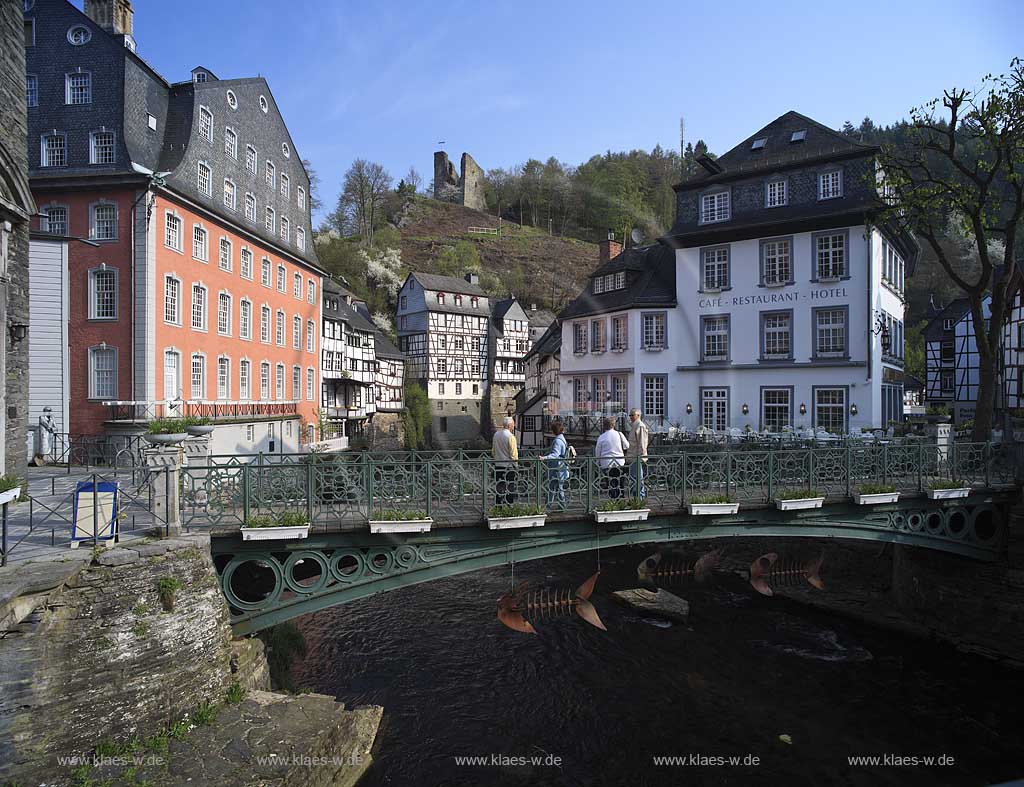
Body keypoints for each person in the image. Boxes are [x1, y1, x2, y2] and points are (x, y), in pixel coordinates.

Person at [594, 417, 629, 499]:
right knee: (620, 481)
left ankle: (613, 498)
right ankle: (621, 497)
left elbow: (597, 452)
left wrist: (597, 462)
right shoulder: (619, 434)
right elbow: (627, 446)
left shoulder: (601, 437)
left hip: (606, 463)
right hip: (619, 462)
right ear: (613, 425)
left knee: (610, 482)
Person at [542, 421, 570, 508]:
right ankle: (559, 505)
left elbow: (555, 454)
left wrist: (544, 458)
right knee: (556, 487)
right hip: (561, 467)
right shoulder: (562, 438)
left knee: (553, 487)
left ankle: (552, 506)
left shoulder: (557, 441)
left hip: (557, 467)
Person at [491, 416, 519, 506]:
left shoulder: (496, 434)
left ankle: (498, 505)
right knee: (510, 487)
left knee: (499, 486)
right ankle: (509, 505)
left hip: (498, 465)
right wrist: (516, 466)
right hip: (508, 466)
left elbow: (493, 451)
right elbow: (513, 455)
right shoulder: (511, 437)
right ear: (510, 425)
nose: (514, 426)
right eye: (513, 425)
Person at [626, 408, 649, 500]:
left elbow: (642, 443)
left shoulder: (640, 426)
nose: (631, 417)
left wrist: (641, 456)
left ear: (638, 415)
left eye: (633, 415)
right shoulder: (634, 425)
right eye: (630, 415)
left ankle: (640, 499)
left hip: (636, 457)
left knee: (638, 478)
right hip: (632, 457)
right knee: (634, 478)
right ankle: (636, 498)